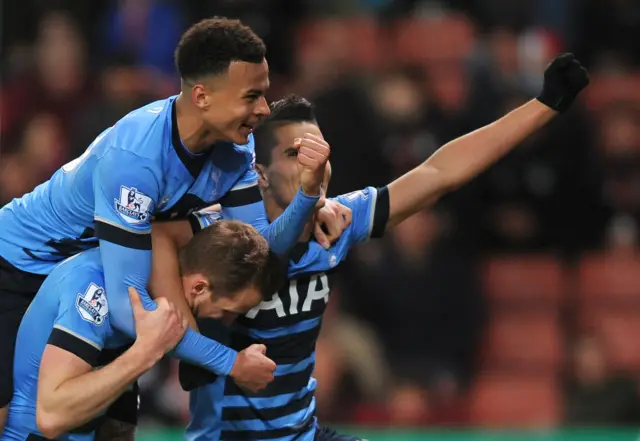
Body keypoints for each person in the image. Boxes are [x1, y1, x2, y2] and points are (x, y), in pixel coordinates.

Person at [153, 53, 590, 440]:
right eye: (295, 153)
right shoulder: (219, 235)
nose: (315, 160)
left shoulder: (338, 224)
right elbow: (154, 231)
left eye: (319, 147)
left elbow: (440, 172)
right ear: (260, 172)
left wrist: (543, 105)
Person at [0, 17, 349, 431]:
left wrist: (308, 196)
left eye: (264, 95)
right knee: (14, 415)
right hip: (21, 265)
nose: (263, 110)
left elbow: (262, 248)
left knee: (114, 427)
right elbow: (130, 311)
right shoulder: (138, 159)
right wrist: (232, 363)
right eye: (252, 96)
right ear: (202, 96)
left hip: (93, 271)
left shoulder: (235, 151)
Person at [2, 220, 282, 441]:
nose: (224, 321)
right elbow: (51, 416)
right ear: (199, 287)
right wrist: (146, 352)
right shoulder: (95, 287)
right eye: (227, 311)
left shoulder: (145, 305)